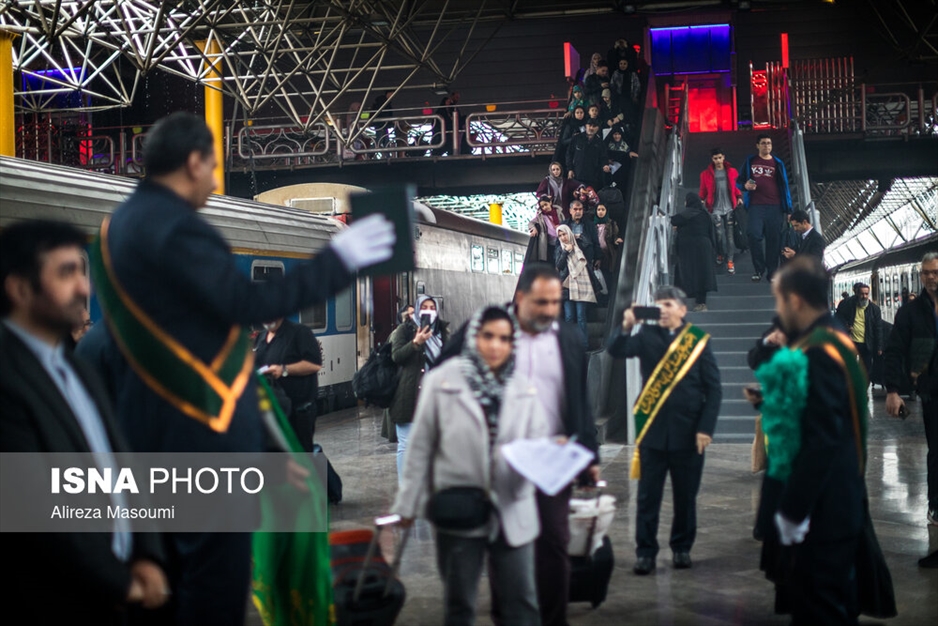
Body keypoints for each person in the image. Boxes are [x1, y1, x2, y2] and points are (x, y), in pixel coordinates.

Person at [94, 111, 395, 625]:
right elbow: (243, 302)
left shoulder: (119, 225)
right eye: (212, 166)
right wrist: (339, 260)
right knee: (213, 590)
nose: (215, 180)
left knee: (173, 587)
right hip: (200, 439)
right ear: (193, 162)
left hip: (152, 437)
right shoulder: (176, 227)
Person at [0, 220, 169, 625]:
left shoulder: (76, 371)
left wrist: (146, 555)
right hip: (56, 601)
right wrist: (119, 582)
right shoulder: (6, 377)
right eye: (66, 273)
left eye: (82, 271)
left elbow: (120, 466)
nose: (84, 288)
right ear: (20, 289)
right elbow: (33, 508)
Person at [435, 264, 600, 626]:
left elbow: (578, 399)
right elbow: (441, 373)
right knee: (506, 541)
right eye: (542, 302)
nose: (550, 311)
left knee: (555, 541)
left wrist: (589, 453)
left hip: (552, 458)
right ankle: (507, 616)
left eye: (556, 302)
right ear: (521, 298)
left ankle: (553, 619)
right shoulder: (484, 330)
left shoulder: (568, 337)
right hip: (497, 460)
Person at [393, 305, 547, 626]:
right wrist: (407, 505)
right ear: (474, 336)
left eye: (504, 338)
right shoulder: (441, 382)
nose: (495, 345)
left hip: (513, 508)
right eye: (487, 336)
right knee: (460, 604)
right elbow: (420, 446)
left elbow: (537, 445)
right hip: (459, 509)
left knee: (521, 604)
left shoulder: (525, 386)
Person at [757, 256, 868, 624]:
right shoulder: (834, 336)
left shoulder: (818, 351)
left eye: (778, 300)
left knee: (820, 610)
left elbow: (821, 440)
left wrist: (791, 512)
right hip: (837, 499)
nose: (777, 309)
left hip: (822, 510)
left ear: (795, 301)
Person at [606, 286, 721, 575]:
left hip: (689, 434)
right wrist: (626, 326)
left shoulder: (698, 341)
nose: (663, 309)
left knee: (685, 496)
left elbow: (714, 389)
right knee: (647, 496)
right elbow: (616, 350)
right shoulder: (645, 336)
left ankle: (682, 548)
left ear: (683, 309)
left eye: (668, 304)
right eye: (658, 305)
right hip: (653, 433)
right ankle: (645, 552)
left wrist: (706, 428)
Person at [884, 252, 938, 568]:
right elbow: (894, 352)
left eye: (935, 272)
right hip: (933, 394)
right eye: (926, 273)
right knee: (937, 453)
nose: (931, 278)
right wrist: (893, 390)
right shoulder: (910, 313)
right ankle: (935, 507)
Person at [388, 294, 450, 481]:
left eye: (432, 308)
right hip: (408, 395)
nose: (429, 311)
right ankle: (406, 487)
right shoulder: (404, 330)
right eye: (425, 307)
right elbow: (396, 356)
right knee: (406, 445)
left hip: (435, 397)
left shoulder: (442, 332)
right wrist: (416, 343)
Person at [253, 317, 323, 452]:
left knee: (300, 455)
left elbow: (315, 365)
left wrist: (284, 370)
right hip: (274, 409)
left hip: (298, 411)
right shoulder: (262, 337)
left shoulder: (299, 333)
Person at [737, 134, 793, 282]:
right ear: (758, 145)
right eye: (763, 143)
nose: (766, 146)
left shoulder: (778, 163)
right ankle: (759, 268)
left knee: (773, 240)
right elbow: (738, 181)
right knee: (753, 235)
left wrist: (788, 209)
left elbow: (785, 186)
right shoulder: (750, 161)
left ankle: (772, 272)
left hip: (775, 207)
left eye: (769, 143)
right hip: (756, 206)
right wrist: (745, 186)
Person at [698, 148, 743, 274]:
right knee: (718, 235)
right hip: (715, 208)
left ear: (723, 157)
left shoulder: (732, 171)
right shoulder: (705, 174)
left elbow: (736, 186)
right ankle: (719, 254)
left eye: (719, 157)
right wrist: (700, 200)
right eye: (715, 158)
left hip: (729, 206)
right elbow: (703, 191)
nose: (718, 160)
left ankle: (730, 260)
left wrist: (739, 197)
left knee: (729, 236)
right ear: (712, 159)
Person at [672, 194, 718, 312]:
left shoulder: (687, 213)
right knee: (703, 275)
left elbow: (674, 220)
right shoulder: (705, 215)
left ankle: (679, 304)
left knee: (685, 273)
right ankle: (701, 303)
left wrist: (679, 228)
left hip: (688, 249)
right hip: (704, 248)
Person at [556, 224, 597, 348]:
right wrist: (565, 252)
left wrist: (579, 236)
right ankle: (570, 345)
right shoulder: (559, 249)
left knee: (580, 316)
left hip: (582, 284)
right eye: (560, 235)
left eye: (564, 234)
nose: (563, 237)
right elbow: (559, 265)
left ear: (569, 233)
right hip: (567, 286)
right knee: (569, 317)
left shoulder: (579, 244)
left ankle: (584, 345)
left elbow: (589, 245)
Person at [835, 282, 883, 377]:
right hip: (852, 342)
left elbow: (878, 328)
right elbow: (839, 318)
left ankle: (863, 388)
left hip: (867, 343)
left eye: (866, 294)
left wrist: (879, 347)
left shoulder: (875, 310)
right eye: (862, 294)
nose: (864, 296)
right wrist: (846, 326)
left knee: (866, 369)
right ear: (857, 294)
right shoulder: (848, 305)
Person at [566, 118, 610, 192]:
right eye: (589, 125)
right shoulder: (577, 138)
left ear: (597, 128)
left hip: (593, 177)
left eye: (594, 126)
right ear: (586, 126)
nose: (591, 128)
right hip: (577, 174)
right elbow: (569, 154)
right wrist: (570, 169)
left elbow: (603, 157)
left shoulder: (600, 142)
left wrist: (605, 165)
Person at [527, 195, 564, 264]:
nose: (544, 207)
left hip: (561, 241)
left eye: (546, 204)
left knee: (561, 261)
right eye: (542, 206)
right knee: (551, 262)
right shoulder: (541, 216)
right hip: (549, 243)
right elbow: (531, 223)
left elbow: (564, 223)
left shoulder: (559, 212)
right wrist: (533, 229)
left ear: (550, 202)